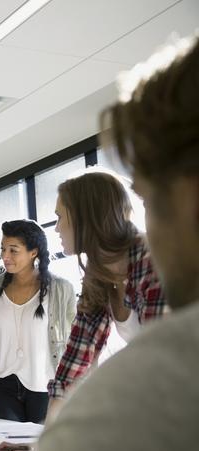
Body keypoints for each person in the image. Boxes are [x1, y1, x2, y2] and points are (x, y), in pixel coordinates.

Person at [1, 35, 199, 451]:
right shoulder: (93, 279)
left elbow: (162, 372)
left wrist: (67, 445)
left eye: (60, 218)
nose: (56, 230)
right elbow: (72, 368)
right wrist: (50, 439)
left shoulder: (151, 265)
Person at [45, 169, 167, 419]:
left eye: (59, 217)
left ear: (84, 217)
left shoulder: (152, 259)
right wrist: (45, 441)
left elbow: (162, 360)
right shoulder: (98, 274)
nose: (56, 228)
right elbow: (75, 360)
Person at [0, 220, 76, 423]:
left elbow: (75, 344)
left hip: (46, 388)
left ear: (33, 252)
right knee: (7, 450)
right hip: (2, 387)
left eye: (13, 250)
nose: (5, 256)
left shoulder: (61, 289)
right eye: (3, 249)